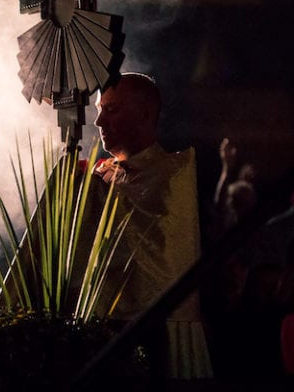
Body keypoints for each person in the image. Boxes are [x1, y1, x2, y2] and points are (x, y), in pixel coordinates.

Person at [89, 72, 212, 379]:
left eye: (111, 110)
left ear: (144, 114)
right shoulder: (102, 175)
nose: (99, 122)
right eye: (98, 110)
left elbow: (152, 247)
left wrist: (96, 192)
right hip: (105, 326)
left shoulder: (175, 173)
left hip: (163, 325)